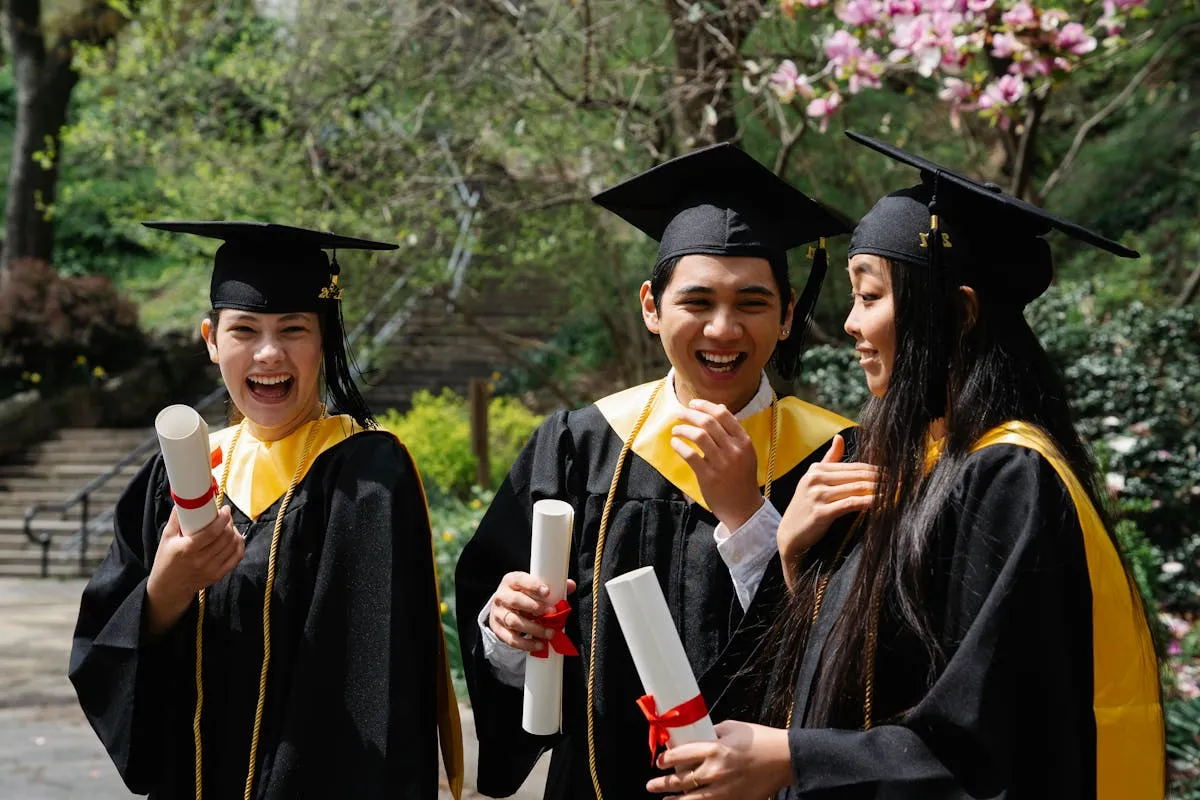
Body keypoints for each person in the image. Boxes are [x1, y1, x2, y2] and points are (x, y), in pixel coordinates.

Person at [645, 133, 1165, 799]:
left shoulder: (1009, 476)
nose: (851, 323)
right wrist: (796, 560)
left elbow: (987, 739)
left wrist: (795, 758)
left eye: (871, 296)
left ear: (960, 312)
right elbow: (885, 672)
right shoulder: (921, 462)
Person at [454, 142, 858, 800]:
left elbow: (853, 659)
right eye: (697, 302)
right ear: (651, 306)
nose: (723, 330)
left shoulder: (840, 455)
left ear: (788, 315)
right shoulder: (579, 445)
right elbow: (517, 658)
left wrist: (750, 519)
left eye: (752, 303)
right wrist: (507, 633)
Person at [69, 221, 463, 799]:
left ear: (325, 338)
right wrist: (164, 592)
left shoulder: (368, 478)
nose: (269, 352)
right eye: (245, 329)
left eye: (294, 329)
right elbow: (104, 661)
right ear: (211, 339)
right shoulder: (176, 476)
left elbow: (377, 688)